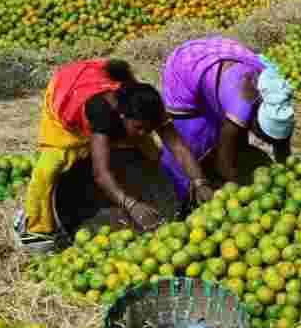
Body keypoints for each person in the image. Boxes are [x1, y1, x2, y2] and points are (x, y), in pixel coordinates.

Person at [17, 59, 215, 249]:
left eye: (148, 129)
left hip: (104, 98)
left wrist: (200, 182)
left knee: (151, 153)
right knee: (49, 169)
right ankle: (35, 227)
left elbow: (178, 147)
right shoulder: (101, 111)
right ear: (122, 116)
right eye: (138, 128)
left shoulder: (148, 107)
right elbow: (101, 173)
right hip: (68, 94)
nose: (144, 133)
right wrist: (131, 204)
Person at [160, 38, 294, 210]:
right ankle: (183, 199)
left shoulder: (278, 105)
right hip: (186, 66)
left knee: (229, 139)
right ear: (254, 123)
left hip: (222, 64)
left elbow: (282, 146)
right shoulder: (240, 110)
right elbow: (224, 164)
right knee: (194, 142)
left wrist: (289, 178)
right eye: (264, 136)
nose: (267, 141)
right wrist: (242, 198)